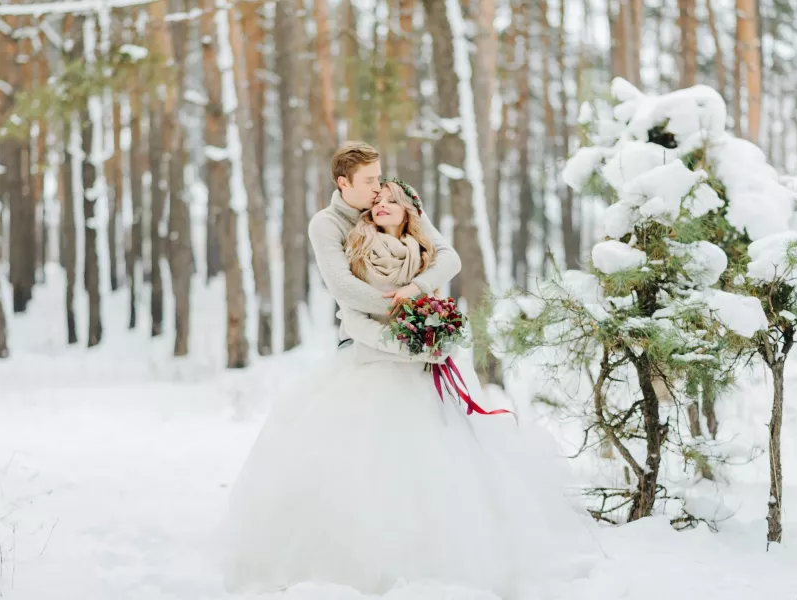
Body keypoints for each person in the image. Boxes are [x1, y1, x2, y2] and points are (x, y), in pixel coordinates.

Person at [218, 142, 596, 598]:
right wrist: (404, 322)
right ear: (343, 183)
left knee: (440, 457)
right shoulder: (327, 224)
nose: (378, 187)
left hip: (419, 350)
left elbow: (448, 256)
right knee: (361, 457)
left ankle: (451, 557)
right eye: (369, 181)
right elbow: (344, 289)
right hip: (366, 345)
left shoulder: (396, 200)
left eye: (379, 177)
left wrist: (417, 296)